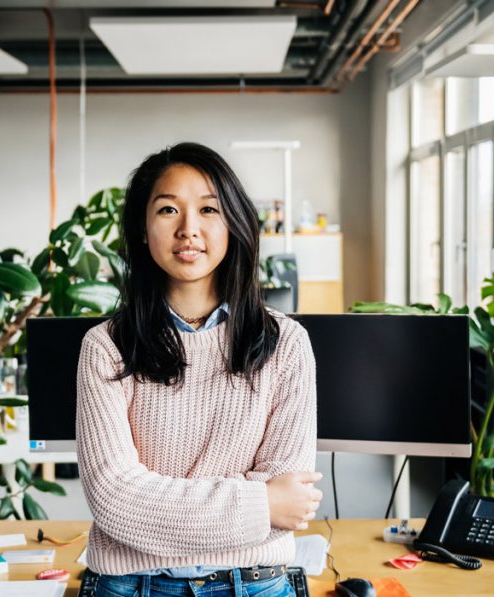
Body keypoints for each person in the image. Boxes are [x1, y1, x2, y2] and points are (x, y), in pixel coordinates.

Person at [76, 142, 321, 597]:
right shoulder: (106, 346)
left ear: (234, 224)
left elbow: (291, 496)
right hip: (131, 585)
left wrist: (159, 504)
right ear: (143, 229)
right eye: (168, 209)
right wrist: (260, 503)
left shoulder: (286, 344)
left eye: (209, 209)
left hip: (255, 585)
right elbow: (114, 500)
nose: (189, 229)